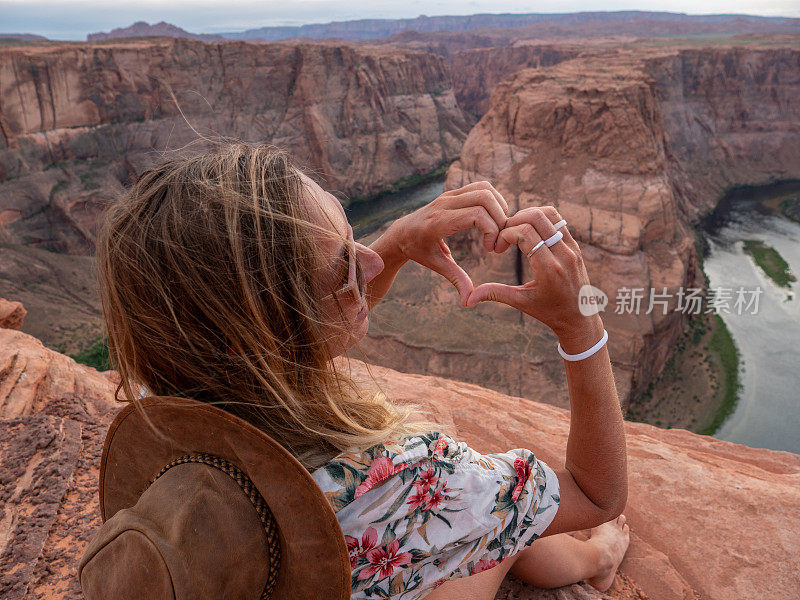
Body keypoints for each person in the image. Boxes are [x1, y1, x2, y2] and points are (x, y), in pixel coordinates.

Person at [96, 142, 629, 600]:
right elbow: (594, 492)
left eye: (355, 234)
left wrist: (397, 242)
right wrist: (578, 327)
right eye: (342, 265)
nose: (369, 261)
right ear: (270, 330)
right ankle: (596, 563)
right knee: (500, 525)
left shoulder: (164, 383)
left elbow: (280, 341)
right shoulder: (399, 482)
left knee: (490, 515)